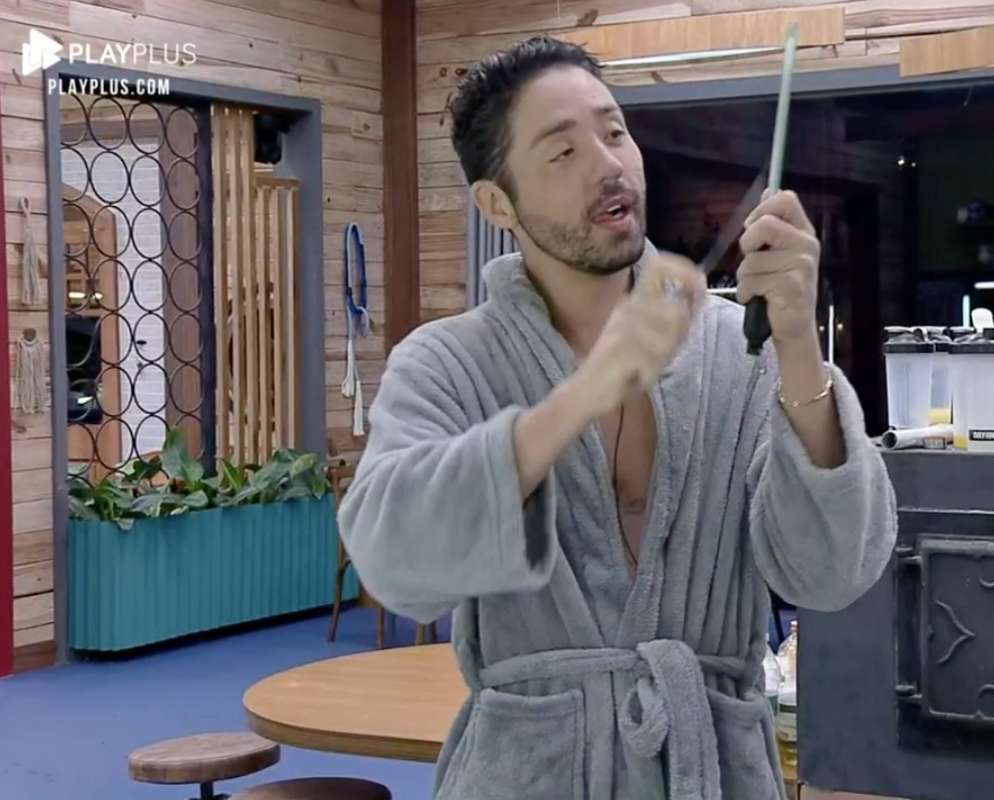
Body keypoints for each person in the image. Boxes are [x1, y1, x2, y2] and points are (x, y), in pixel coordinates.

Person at [339, 35, 897, 800]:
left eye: (614, 132)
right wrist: (580, 396)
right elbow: (392, 563)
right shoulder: (446, 362)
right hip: (526, 775)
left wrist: (798, 347)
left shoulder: (736, 349)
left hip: (713, 771)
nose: (609, 165)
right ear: (496, 203)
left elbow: (834, 574)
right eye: (563, 152)